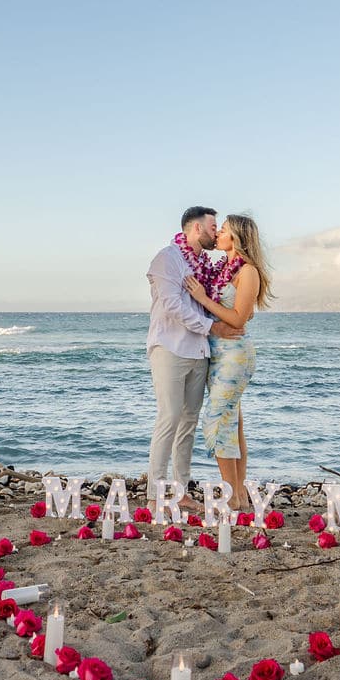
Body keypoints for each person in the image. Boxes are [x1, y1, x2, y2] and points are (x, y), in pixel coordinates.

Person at [146, 206, 239, 502]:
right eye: (213, 226)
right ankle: (155, 492)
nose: (217, 232)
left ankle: (181, 490)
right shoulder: (167, 258)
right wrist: (211, 327)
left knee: (188, 423)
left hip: (199, 352)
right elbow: (173, 305)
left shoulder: (204, 264)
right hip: (171, 347)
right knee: (169, 417)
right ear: (196, 228)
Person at [185, 213, 272, 512]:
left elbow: (238, 317)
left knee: (218, 421)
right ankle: (240, 495)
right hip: (216, 351)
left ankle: (232, 496)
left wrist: (202, 298)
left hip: (235, 353)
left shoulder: (248, 272)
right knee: (233, 423)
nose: (217, 234)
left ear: (235, 237)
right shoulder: (223, 268)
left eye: (222, 230)